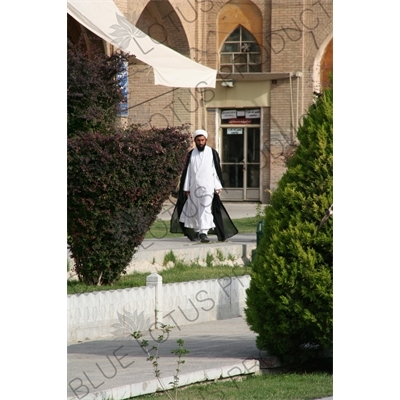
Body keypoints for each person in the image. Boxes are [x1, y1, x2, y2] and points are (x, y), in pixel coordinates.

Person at [170, 129, 238, 243]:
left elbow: (215, 171)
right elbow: (188, 173)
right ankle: (197, 231)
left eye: (202, 140)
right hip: (193, 188)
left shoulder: (212, 152)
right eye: (198, 140)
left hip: (208, 187)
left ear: (206, 140)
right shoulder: (191, 154)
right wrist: (186, 188)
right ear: (195, 141)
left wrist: (217, 186)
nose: (200, 142)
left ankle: (204, 232)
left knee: (205, 209)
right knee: (194, 210)